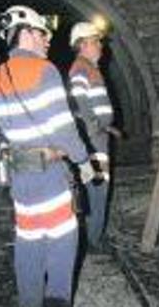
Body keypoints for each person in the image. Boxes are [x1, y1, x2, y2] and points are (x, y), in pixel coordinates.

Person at [0, 5, 97, 307]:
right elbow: (64, 129)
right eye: (42, 33)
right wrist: (83, 162)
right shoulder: (45, 71)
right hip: (51, 176)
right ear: (26, 34)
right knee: (62, 245)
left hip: (20, 179)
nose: (47, 40)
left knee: (28, 242)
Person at [68, 21, 117, 252]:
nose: (100, 46)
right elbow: (79, 102)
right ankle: (93, 240)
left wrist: (105, 126)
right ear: (84, 44)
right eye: (96, 41)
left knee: (96, 187)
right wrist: (95, 128)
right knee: (97, 188)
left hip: (96, 138)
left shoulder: (89, 68)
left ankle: (92, 236)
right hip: (93, 142)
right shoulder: (81, 68)